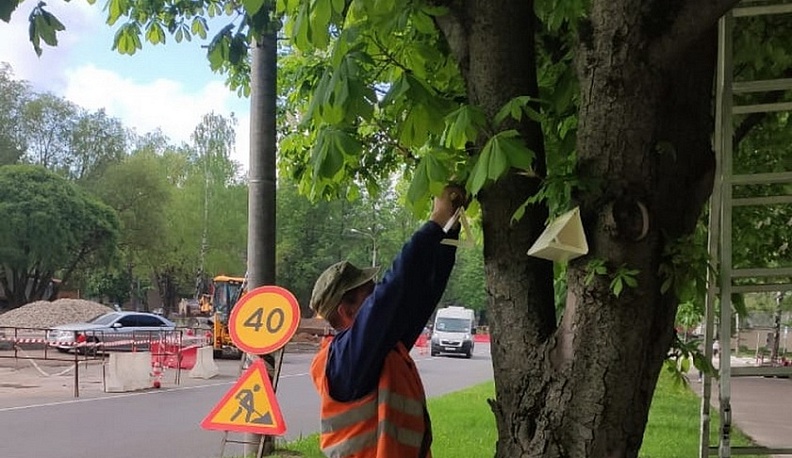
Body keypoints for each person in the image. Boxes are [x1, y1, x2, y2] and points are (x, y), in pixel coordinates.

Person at [309, 185, 465, 458]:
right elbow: (392, 293)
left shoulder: (381, 352)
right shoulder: (345, 360)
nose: (377, 298)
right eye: (369, 296)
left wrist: (450, 226)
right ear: (346, 311)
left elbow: (423, 295)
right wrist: (435, 221)